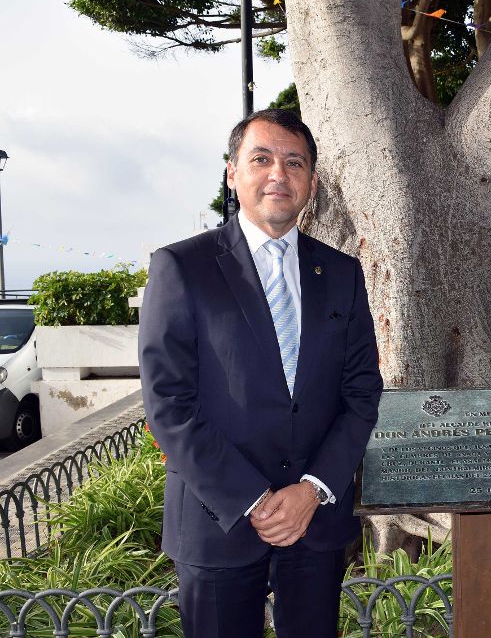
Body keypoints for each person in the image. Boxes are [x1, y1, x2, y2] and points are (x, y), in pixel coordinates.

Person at [139, 109, 383, 638]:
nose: (279, 173)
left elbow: (361, 391)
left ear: (312, 184)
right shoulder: (182, 268)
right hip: (216, 520)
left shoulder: (341, 273)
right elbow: (168, 404)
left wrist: (312, 489)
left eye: (295, 162)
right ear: (233, 173)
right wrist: (253, 499)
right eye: (262, 158)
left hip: (314, 525)